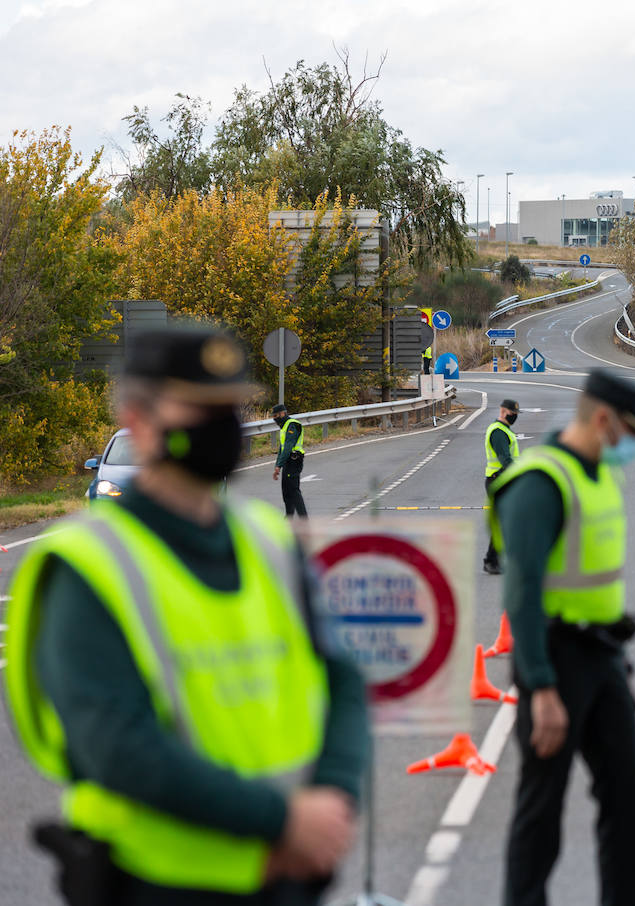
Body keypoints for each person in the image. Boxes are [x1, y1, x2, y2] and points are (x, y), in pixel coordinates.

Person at [4, 326, 369, 905]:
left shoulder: (268, 542)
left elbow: (343, 678)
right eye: (198, 408)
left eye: (228, 407)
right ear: (139, 420)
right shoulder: (86, 566)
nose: (220, 423)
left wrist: (333, 802)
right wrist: (282, 822)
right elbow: (118, 747)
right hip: (158, 882)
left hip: (288, 877)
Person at [489, 369, 635, 906]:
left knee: (626, 803)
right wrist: (539, 687)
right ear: (603, 419)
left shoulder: (604, 475)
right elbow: (522, 593)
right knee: (542, 811)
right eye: (632, 432)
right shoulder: (541, 482)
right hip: (554, 659)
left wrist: (618, 663)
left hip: (604, 657)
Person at [482, 398, 521, 575]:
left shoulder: (504, 430)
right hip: (499, 479)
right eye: (513, 414)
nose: (514, 417)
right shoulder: (498, 432)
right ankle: (491, 561)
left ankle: (495, 559)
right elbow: (505, 460)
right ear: (504, 411)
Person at [272, 403, 308, 519]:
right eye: (274, 416)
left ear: (283, 413)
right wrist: (278, 465)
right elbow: (282, 448)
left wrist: (279, 465)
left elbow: (288, 447)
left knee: (293, 490)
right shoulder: (284, 427)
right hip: (288, 461)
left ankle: (304, 520)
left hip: (294, 460)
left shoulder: (292, 425)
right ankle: (289, 518)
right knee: (286, 491)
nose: (275, 418)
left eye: (277, 415)